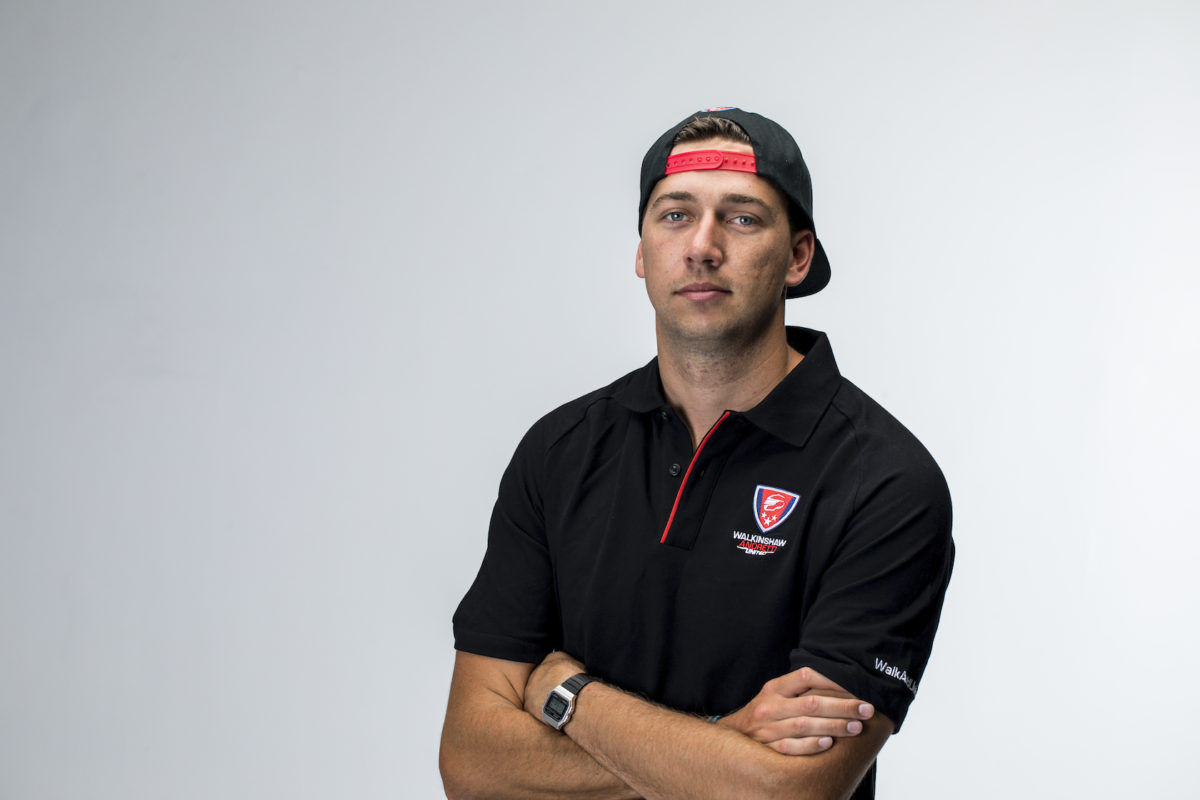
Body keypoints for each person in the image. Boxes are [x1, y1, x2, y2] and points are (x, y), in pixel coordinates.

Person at [439, 107, 954, 800]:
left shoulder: (886, 482)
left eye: (742, 218)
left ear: (798, 256)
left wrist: (568, 695)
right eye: (676, 215)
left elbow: (786, 793)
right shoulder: (559, 452)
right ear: (642, 251)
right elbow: (470, 763)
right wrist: (724, 740)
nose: (702, 246)